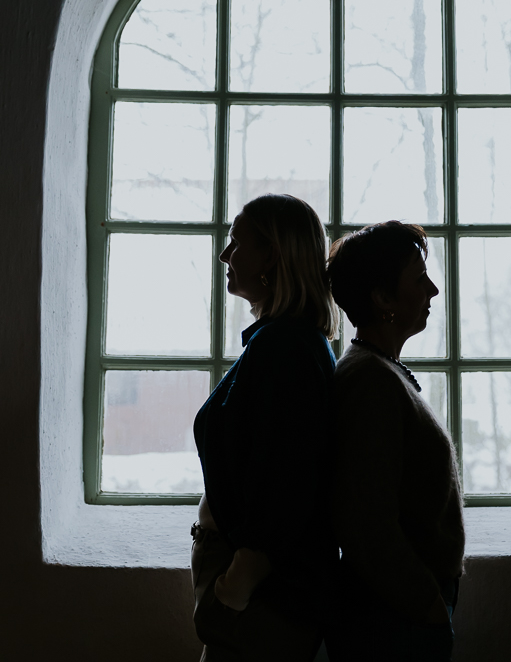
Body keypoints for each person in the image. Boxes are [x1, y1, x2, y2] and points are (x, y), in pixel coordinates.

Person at [191, 194, 339, 662]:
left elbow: (286, 482)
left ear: (272, 256)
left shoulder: (285, 348)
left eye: (236, 243)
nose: (224, 255)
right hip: (262, 590)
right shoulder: (285, 342)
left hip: (260, 595)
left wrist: (234, 588)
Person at [324, 221, 465, 662]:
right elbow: (368, 524)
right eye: (419, 279)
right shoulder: (370, 381)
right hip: (390, 622)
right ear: (383, 299)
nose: (433, 290)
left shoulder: (379, 371)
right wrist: (427, 604)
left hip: (396, 614)